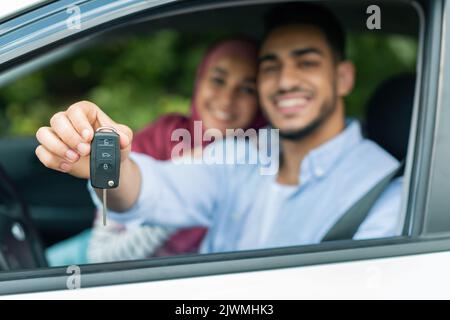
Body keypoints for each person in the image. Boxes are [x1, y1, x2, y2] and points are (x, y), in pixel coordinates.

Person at [36, 3, 403, 254]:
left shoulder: (385, 192)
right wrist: (106, 164)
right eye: (271, 66)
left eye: (306, 63)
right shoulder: (238, 155)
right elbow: (150, 190)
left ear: (342, 77)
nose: (285, 81)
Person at [45, 37, 266, 265]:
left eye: (247, 89)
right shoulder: (160, 135)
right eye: (218, 80)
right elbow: (102, 254)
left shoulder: (260, 163)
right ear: (200, 81)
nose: (227, 99)